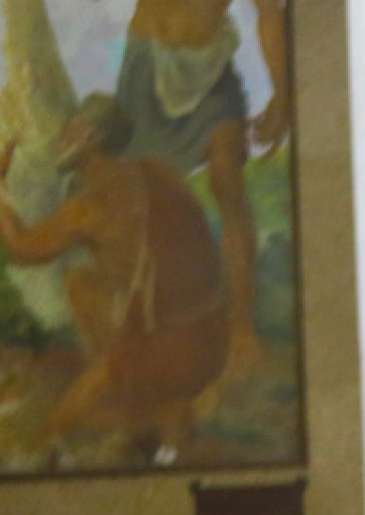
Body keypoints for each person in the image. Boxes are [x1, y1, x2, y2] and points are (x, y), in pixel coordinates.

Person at [0, 95, 226, 456]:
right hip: (210, 340)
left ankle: (149, 410)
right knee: (80, 282)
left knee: (56, 428)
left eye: (72, 129)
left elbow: (20, 247)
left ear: (94, 137)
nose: (61, 137)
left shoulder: (88, 209)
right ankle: (145, 398)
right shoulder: (157, 170)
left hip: (162, 352)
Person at [115, 0, 290, 381]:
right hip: (147, 63)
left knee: (228, 181)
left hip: (209, 70)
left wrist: (282, 93)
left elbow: (271, 12)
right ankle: (149, 331)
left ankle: (242, 329)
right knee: (147, 204)